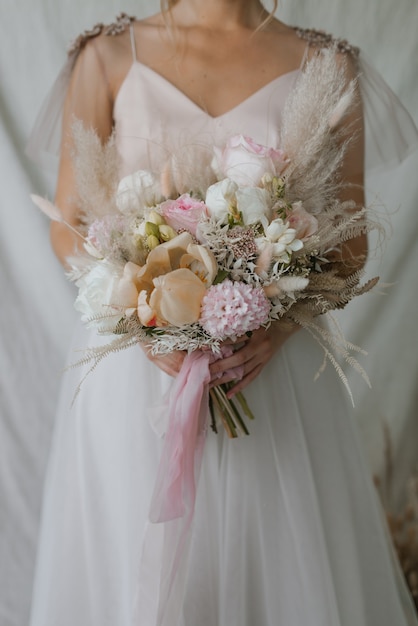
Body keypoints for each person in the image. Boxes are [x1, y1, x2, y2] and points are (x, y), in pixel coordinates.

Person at [28, 2, 418, 625]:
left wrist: (280, 322)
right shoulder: (106, 55)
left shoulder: (328, 64)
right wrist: (140, 314)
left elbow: (349, 246)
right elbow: (68, 226)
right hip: (136, 375)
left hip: (269, 371)